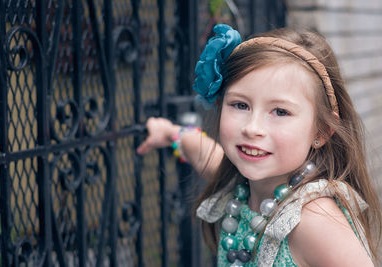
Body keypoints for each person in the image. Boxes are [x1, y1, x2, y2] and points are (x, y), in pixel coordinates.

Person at [137, 24, 382, 266]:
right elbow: (209, 157)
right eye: (241, 105)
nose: (252, 128)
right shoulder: (241, 189)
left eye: (280, 111)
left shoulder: (313, 220)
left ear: (320, 132)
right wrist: (172, 133)